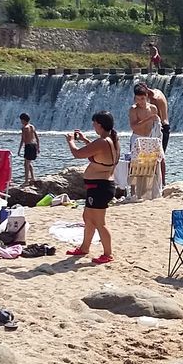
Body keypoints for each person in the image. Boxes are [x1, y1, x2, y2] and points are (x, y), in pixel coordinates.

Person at [66, 111, 119, 264]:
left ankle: (108, 254)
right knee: (88, 218)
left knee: (99, 222)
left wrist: (71, 141)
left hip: (100, 187)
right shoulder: (110, 139)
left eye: (94, 123)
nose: (93, 125)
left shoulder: (103, 141)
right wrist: (84, 140)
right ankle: (84, 247)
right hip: (99, 186)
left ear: (100, 125)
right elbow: (97, 151)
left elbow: (77, 154)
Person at [18, 113, 40, 183]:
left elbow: (23, 140)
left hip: (28, 146)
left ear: (23, 120)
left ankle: (26, 181)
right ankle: (33, 177)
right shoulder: (32, 126)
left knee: (26, 164)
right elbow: (37, 138)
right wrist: (38, 147)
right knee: (29, 163)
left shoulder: (24, 128)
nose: (21, 122)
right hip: (34, 145)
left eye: (21, 120)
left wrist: (19, 150)